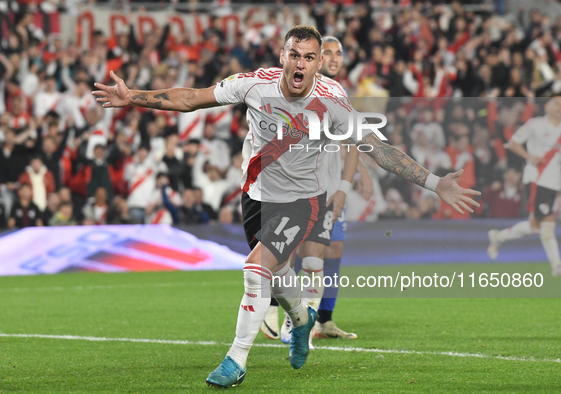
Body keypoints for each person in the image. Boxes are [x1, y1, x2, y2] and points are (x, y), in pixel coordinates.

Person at [93, 25, 479, 388]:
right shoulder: (254, 84)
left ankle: (236, 360)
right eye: (294, 54)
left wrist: (434, 182)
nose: (301, 63)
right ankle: (302, 317)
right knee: (276, 276)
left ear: (316, 62)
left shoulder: (332, 102)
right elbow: (191, 98)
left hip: (301, 202)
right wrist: (133, 97)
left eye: (309, 57)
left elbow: (378, 149)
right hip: (256, 195)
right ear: (282, 56)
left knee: (256, 269)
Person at [263, 36, 374, 344]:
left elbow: (347, 138)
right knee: (299, 252)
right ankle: (279, 311)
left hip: (331, 184)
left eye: (339, 52)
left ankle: (321, 318)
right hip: (302, 187)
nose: (335, 57)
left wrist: (354, 173)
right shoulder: (301, 88)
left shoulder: (337, 93)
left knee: (329, 251)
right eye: (328, 52)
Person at [488, 96, 561, 276]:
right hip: (537, 179)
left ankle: (498, 237)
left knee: (536, 225)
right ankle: (557, 267)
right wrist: (530, 158)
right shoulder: (535, 124)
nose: (560, 107)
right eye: (557, 103)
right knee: (547, 223)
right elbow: (512, 143)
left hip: (555, 182)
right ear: (547, 106)